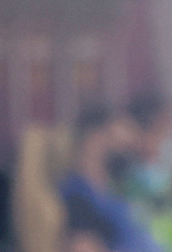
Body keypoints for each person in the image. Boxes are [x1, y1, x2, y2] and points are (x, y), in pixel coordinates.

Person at [59, 102, 163, 252]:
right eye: (121, 133)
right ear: (96, 137)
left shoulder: (112, 189)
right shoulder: (77, 195)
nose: (130, 141)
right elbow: (82, 246)